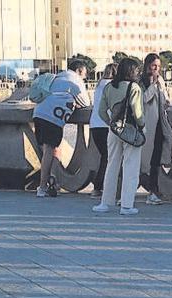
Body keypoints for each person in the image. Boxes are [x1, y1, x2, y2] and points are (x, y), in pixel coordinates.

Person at [92, 58, 145, 216]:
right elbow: (138, 113)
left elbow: (101, 111)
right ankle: (126, 205)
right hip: (131, 131)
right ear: (132, 71)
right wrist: (142, 126)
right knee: (131, 166)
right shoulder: (134, 87)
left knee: (112, 164)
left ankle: (105, 202)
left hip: (114, 131)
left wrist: (111, 123)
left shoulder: (109, 87)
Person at [33, 60, 91, 198]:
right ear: (80, 71)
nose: (84, 77)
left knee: (51, 149)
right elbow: (86, 103)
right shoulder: (75, 80)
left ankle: (53, 180)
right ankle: (42, 187)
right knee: (49, 151)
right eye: (84, 74)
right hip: (52, 117)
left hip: (39, 112)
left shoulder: (57, 77)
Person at [137, 53, 172, 206]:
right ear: (147, 65)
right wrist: (153, 86)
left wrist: (166, 100)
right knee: (147, 161)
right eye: (154, 66)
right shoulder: (141, 82)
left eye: (158, 66)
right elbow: (142, 100)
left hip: (160, 124)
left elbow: (164, 98)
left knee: (157, 160)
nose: (156, 69)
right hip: (147, 125)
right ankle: (152, 190)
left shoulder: (161, 81)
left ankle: (154, 190)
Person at [89, 63, 118, 198]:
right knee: (108, 157)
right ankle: (99, 186)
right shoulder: (113, 86)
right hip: (106, 124)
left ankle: (99, 186)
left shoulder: (99, 85)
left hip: (95, 125)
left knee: (105, 156)